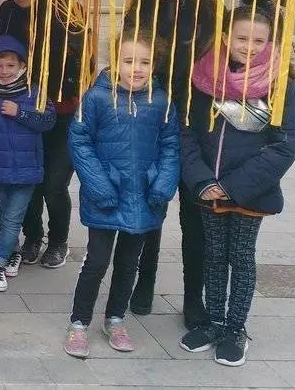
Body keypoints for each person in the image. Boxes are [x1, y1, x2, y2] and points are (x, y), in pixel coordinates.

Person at [179, 6, 295, 367]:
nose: (249, 46)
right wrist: (202, 180)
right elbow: (186, 132)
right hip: (208, 188)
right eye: (242, 38)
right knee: (214, 256)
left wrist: (232, 186)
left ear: (270, 43)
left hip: (249, 192)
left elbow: (286, 144)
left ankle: (236, 328)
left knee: (240, 257)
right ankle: (214, 321)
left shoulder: (281, 85)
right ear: (226, 37)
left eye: (258, 40)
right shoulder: (202, 77)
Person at [63, 30, 180, 359]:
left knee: (129, 263)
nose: (137, 68)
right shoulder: (98, 97)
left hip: (144, 196)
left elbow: (171, 146)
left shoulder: (162, 100)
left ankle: (115, 318)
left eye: (144, 62)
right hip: (107, 193)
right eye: (129, 61)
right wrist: (98, 184)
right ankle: (79, 322)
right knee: (96, 262)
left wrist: (162, 186)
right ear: (115, 61)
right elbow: (80, 141)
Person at [124, 0, 217, 324]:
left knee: (195, 217)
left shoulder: (209, 14)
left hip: (196, 124)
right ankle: (143, 282)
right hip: (153, 121)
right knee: (151, 205)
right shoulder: (139, 12)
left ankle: (193, 296)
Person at [0, 0, 85, 270]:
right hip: (26, 107)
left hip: (62, 109)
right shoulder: (8, 12)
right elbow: (4, 51)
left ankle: (59, 240)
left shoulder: (65, 9)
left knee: (54, 182)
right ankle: (32, 236)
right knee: (30, 179)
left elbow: (81, 59)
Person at [0, 35, 57, 292]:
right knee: (4, 214)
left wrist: (20, 113)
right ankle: (13, 251)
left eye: (10, 65)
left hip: (28, 169)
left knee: (12, 218)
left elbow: (48, 122)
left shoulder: (35, 91)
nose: (4, 71)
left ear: (21, 65)